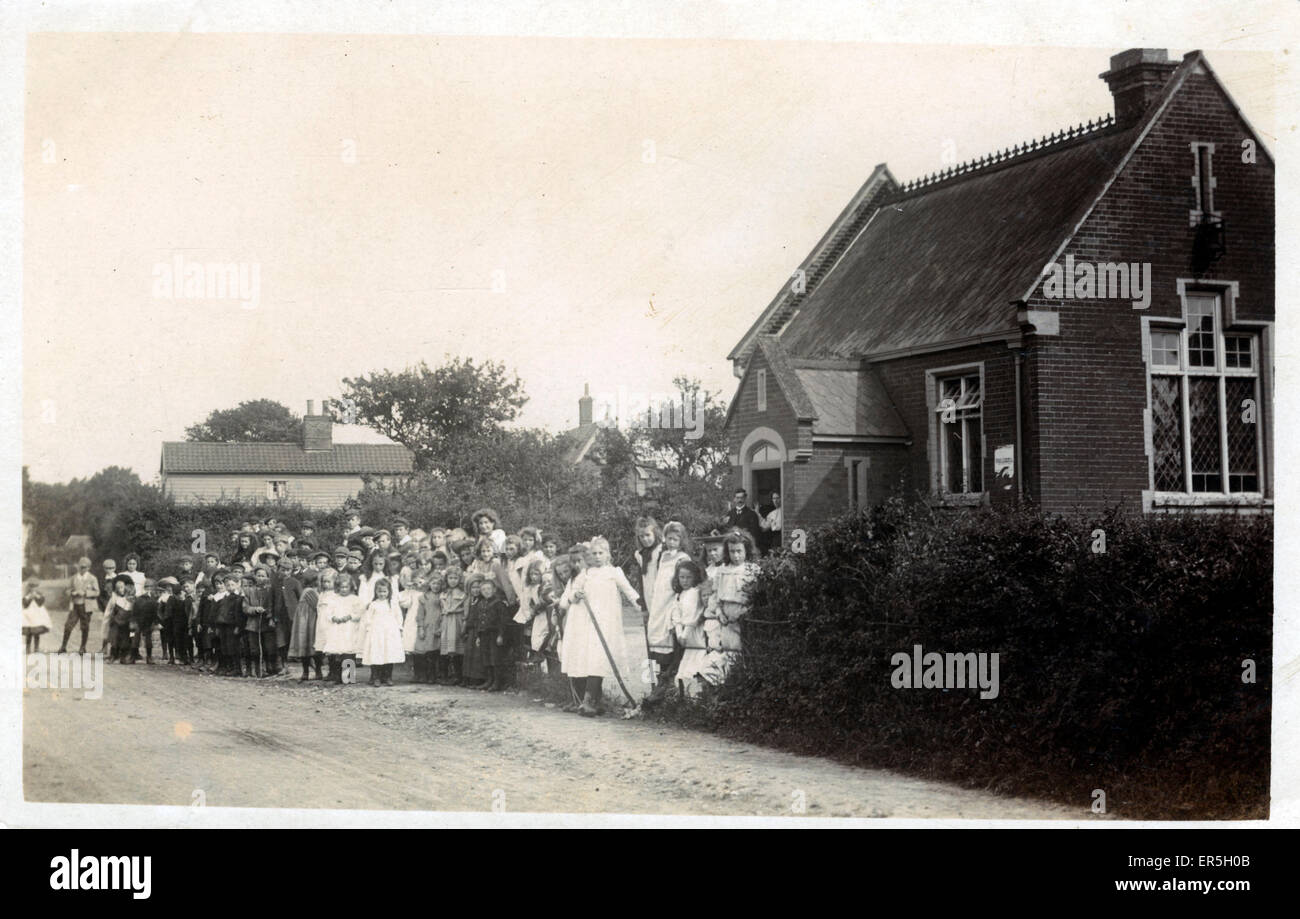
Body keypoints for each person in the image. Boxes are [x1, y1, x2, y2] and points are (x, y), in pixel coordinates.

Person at [558, 537, 641, 716]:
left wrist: (641, 607)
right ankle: (591, 701)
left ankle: (589, 700)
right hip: (586, 623)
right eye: (593, 554)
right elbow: (570, 594)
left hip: (606, 622)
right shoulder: (585, 573)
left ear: (608, 555)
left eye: (600, 553)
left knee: (598, 660)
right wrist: (575, 595)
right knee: (588, 660)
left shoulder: (614, 572)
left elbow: (629, 591)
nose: (597, 557)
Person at [700, 533, 758, 687]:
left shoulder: (752, 570)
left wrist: (743, 614)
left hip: (743, 621)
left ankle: (740, 687)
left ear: (747, 550)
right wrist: (719, 613)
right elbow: (716, 597)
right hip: (726, 622)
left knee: (741, 655)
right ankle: (724, 688)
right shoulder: (722, 571)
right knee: (726, 652)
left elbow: (755, 598)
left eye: (739, 551)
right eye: (732, 551)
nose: (736, 555)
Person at [645, 522, 690, 697]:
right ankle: (658, 683)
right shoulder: (663, 556)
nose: (671, 542)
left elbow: (683, 581)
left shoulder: (683, 557)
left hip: (671, 601)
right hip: (658, 602)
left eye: (675, 539)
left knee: (668, 640)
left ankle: (669, 686)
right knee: (655, 638)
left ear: (681, 540)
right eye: (669, 539)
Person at [669, 559, 708, 697]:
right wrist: (679, 633)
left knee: (696, 662)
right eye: (682, 577)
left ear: (695, 577)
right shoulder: (679, 595)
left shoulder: (695, 592)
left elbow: (695, 616)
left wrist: (685, 634)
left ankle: (695, 697)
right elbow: (676, 615)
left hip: (695, 634)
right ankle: (684, 697)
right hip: (684, 636)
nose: (684, 581)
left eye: (688, 577)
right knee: (684, 667)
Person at [359, 578, 404, 687]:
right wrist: (369, 628)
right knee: (376, 653)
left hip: (390, 633)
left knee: (389, 653)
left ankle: (387, 677)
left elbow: (398, 616)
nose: (382, 594)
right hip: (376, 632)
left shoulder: (392, 604)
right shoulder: (373, 604)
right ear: (375, 592)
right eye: (379, 591)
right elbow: (368, 618)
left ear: (389, 592)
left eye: (384, 591)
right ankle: (376, 677)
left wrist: (399, 628)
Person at [320, 571, 362, 685]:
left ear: (351, 587)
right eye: (341, 587)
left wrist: (350, 616)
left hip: (349, 628)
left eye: (346, 587)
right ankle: (336, 675)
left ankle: (349, 676)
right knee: (335, 653)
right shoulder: (333, 598)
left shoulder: (355, 599)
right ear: (337, 587)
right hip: (336, 629)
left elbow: (359, 614)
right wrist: (333, 618)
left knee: (348, 652)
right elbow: (327, 613)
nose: (344, 589)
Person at [289, 568, 323, 681]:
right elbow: (318, 606)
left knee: (310, 648)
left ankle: (311, 672)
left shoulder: (310, 590)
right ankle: (310, 671)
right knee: (310, 647)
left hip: (308, 621)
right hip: (308, 623)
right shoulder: (310, 591)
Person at [60, 557, 99, 654]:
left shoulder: (92, 578)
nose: (82, 569)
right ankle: (63, 646)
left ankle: (83, 647)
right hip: (75, 605)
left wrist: (85, 592)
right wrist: (72, 592)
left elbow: (97, 592)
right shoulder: (74, 578)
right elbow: (67, 590)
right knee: (68, 625)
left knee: (84, 626)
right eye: (80, 567)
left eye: (84, 567)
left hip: (86, 606)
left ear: (88, 568)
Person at [438, 566, 468, 685]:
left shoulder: (463, 594)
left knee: (458, 648)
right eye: (450, 578)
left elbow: (465, 610)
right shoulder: (443, 593)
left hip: (457, 620)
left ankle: (458, 675)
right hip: (446, 621)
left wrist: (464, 623)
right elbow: (441, 609)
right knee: (445, 648)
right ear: (446, 579)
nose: (453, 580)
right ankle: (445, 675)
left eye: (455, 578)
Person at [410, 573, 442, 684]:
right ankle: (419, 675)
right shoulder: (424, 597)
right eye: (434, 583)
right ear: (429, 584)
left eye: (438, 584)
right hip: (426, 627)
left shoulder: (443, 596)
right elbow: (420, 614)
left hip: (437, 627)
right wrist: (421, 628)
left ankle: (432, 675)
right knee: (419, 651)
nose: (436, 586)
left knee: (433, 653)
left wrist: (441, 628)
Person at [720, 489, 763, 556]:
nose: (739, 500)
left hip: (746, 547)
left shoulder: (752, 514)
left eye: (742, 498)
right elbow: (726, 529)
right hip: (731, 547)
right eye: (737, 498)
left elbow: (754, 533)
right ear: (734, 499)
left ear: (745, 498)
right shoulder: (730, 513)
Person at [22, 580, 52, 653]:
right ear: (29, 588)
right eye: (32, 587)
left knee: (36, 632)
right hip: (28, 615)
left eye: (35, 587)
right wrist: (29, 598)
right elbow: (25, 605)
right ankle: (28, 648)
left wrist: (35, 597)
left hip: (37, 615)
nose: (33, 589)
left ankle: (36, 648)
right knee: (28, 632)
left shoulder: (39, 595)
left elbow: (40, 603)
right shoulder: (26, 595)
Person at [98, 558, 118, 655]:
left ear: (115, 568)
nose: (109, 570)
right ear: (104, 569)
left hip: (117, 605)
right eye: (107, 568)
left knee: (116, 626)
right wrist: (103, 606)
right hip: (106, 605)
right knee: (106, 626)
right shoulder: (102, 580)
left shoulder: (118, 578)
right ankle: (104, 647)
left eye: (111, 568)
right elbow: (100, 595)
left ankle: (115, 648)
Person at [758, 490, 783, 554]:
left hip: (783, 538)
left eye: (778, 498)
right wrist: (757, 513)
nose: (775, 500)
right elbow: (764, 527)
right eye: (774, 498)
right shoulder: (772, 514)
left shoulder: (785, 511)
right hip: (775, 540)